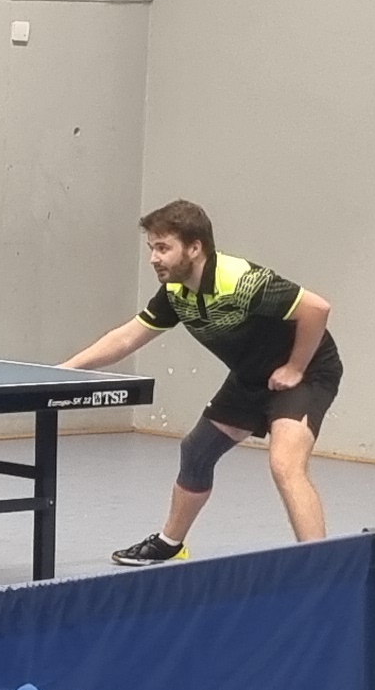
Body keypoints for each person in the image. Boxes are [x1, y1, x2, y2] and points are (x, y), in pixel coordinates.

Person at [61, 199, 339, 560]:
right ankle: (170, 544)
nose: (154, 258)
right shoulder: (176, 293)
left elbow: (316, 309)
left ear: (194, 248)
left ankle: (321, 564)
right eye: (152, 248)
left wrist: (295, 367)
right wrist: (66, 369)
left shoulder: (241, 281)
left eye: (163, 248)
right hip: (251, 376)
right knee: (197, 451)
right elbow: (127, 338)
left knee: (285, 463)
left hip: (307, 371)